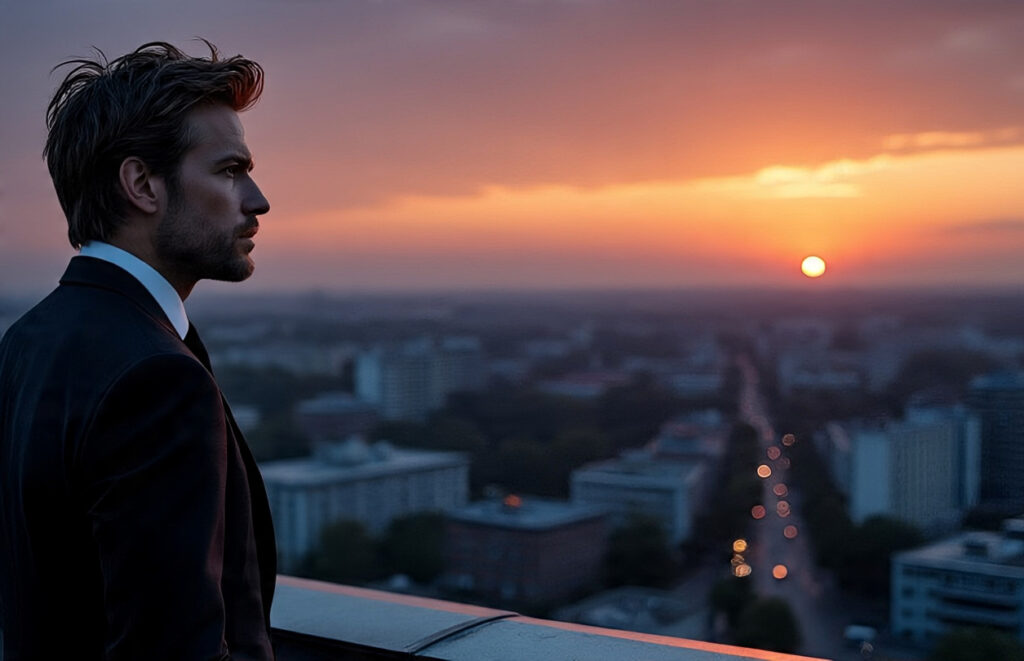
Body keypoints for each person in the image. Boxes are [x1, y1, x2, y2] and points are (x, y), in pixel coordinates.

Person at [0, 42, 277, 660]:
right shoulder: (156, 377)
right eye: (230, 170)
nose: (257, 200)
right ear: (142, 185)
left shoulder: (27, 340)